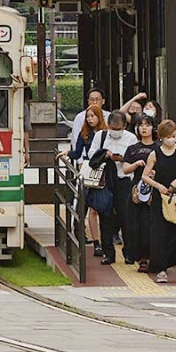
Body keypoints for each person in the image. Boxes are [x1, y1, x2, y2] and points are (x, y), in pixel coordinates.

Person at [144, 119, 176, 283]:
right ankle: (162, 269)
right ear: (161, 137)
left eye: (174, 136)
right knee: (160, 234)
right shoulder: (154, 154)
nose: (171, 139)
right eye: (168, 136)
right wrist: (158, 186)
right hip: (161, 197)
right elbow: (145, 176)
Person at [87, 110, 135, 265]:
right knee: (105, 217)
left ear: (125, 126)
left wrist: (123, 159)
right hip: (105, 181)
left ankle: (129, 252)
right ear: (108, 125)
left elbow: (134, 157)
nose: (115, 132)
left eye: (118, 129)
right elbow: (91, 155)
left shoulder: (131, 138)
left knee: (126, 217)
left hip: (124, 180)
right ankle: (108, 253)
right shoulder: (100, 136)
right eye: (113, 129)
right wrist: (105, 155)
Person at [119, 114, 158, 271]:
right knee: (137, 224)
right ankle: (141, 258)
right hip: (137, 191)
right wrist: (135, 164)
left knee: (154, 224)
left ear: (153, 128)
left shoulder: (159, 148)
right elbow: (125, 169)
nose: (144, 128)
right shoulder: (132, 149)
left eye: (147, 125)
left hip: (155, 190)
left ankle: (155, 256)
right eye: (141, 125)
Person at [68, 104, 108, 256]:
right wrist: (68, 153)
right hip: (90, 171)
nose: (90, 119)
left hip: (104, 172)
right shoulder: (84, 134)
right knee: (90, 207)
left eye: (93, 116)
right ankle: (96, 241)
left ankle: (105, 241)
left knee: (102, 208)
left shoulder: (107, 133)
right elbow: (77, 152)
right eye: (88, 116)